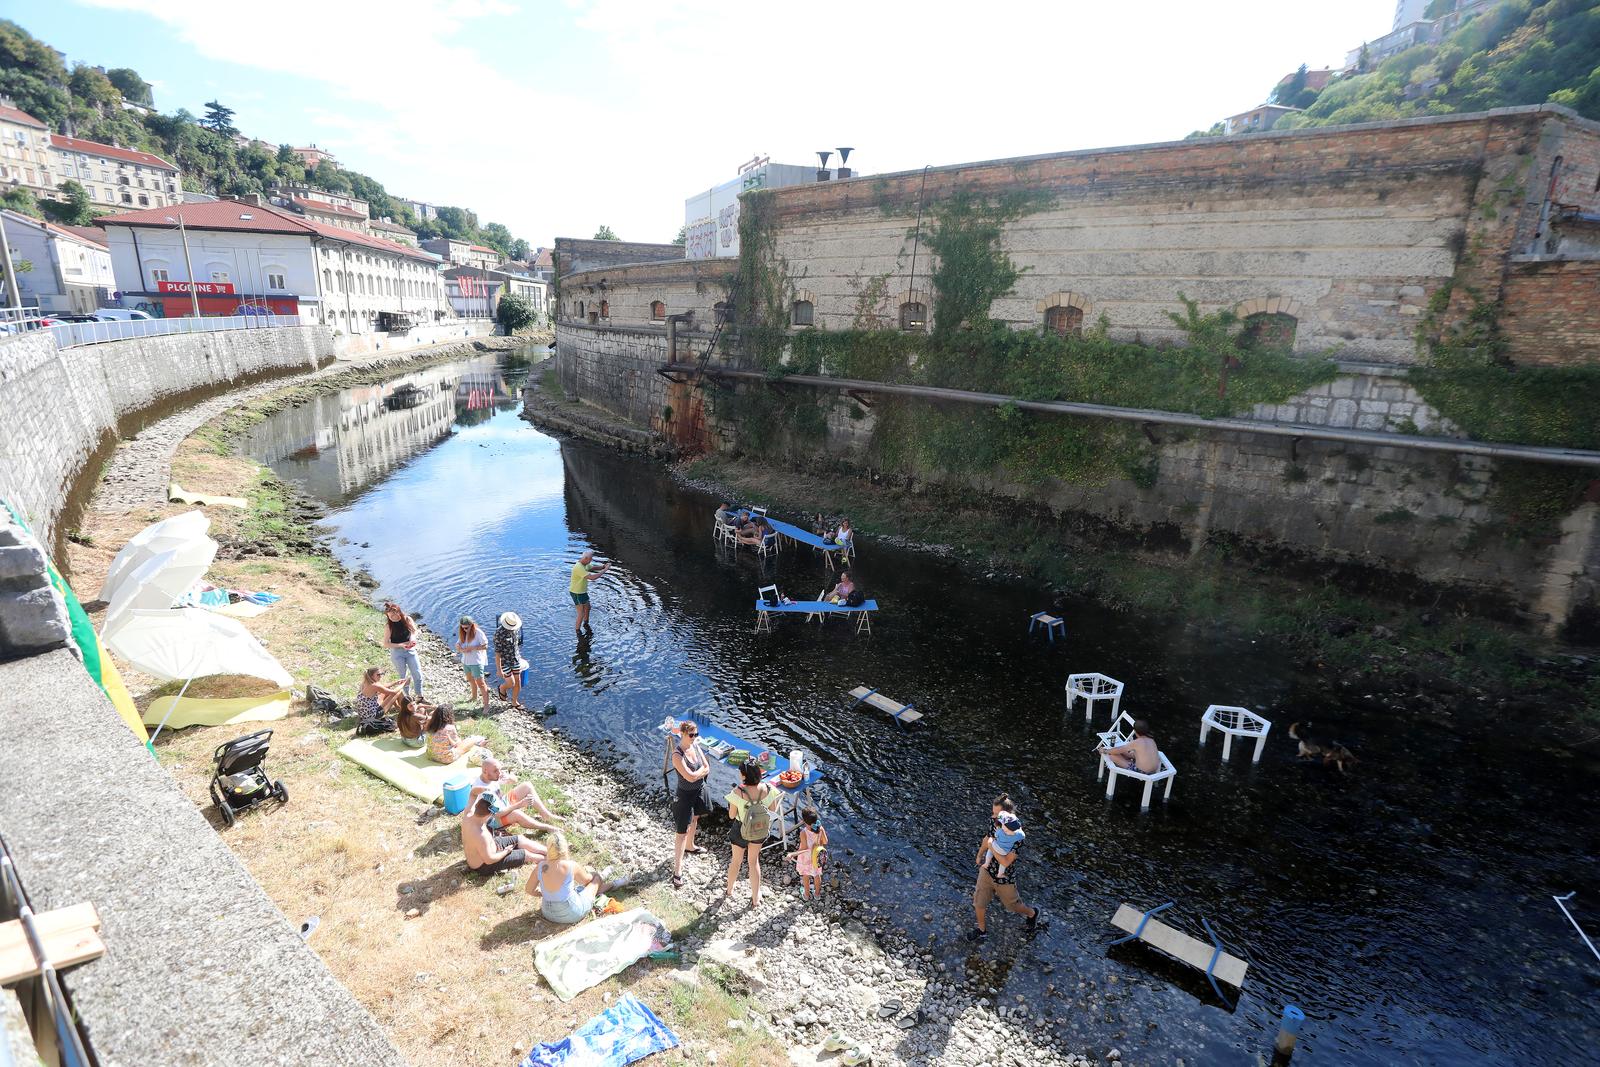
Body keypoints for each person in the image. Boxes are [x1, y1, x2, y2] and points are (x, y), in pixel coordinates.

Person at [966, 794, 1046, 943]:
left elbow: (1006, 861)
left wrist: (991, 846)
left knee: (1012, 906)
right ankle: (982, 931)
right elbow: (987, 838)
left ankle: (1032, 913)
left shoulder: (1017, 836)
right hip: (987, 870)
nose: (993, 817)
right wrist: (980, 855)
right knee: (979, 901)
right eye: (993, 813)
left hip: (1005, 877)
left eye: (996, 814)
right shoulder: (994, 821)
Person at [525, 831, 629, 925]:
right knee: (594, 882)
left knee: (583, 889)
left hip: (547, 913)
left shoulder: (540, 866)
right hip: (571, 913)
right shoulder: (571, 865)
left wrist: (544, 893)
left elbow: (528, 890)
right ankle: (612, 882)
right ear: (565, 849)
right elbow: (587, 880)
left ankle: (614, 881)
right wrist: (593, 874)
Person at [725, 762, 777, 908]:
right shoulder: (768, 789)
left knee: (736, 861)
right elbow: (773, 811)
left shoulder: (738, 792)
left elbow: (731, 815)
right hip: (759, 829)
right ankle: (755, 898)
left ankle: (729, 890)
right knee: (753, 862)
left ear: (743, 776)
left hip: (741, 829)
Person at [469, 755, 562, 832]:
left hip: (502, 803)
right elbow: (498, 814)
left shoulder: (492, 776)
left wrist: (510, 778)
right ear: (485, 771)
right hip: (492, 819)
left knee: (527, 786)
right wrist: (520, 804)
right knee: (516, 813)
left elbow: (514, 780)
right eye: (496, 771)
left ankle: (546, 815)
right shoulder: (483, 790)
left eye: (499, 770)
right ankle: (545, 828)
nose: (499, 773)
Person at [669, 720, 711, 890]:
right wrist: (698, 774)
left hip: (699, 790)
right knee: (681, 832)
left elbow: (707, 767)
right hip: (685, 795)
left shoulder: (696, 747)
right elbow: (688, 777)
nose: (694, 738)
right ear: (682, 734)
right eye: (691, 735)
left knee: (695, 818)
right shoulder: (677, 755)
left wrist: (697, 774)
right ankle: (677, 871)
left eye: (696, 734)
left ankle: (690, 846)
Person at [462, 794, 542, 874]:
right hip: (484, 865)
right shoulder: (481, 836)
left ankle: (549, 852)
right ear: (488, 815)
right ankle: (550, 859)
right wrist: (505, 852)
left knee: (520, 839)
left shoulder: (468, 815)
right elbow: (489, 860)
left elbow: (473, 794)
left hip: (492, 846)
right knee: (526, 854)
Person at [380, 602, 424, 699]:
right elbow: (386, 644)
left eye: (395, 614)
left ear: (399, 611)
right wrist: (401, 645)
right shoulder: (389, 626)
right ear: (387, 616)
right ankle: (406, 697)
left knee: (417, 673)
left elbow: (414, 631)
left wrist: (412, 639)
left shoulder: (407, 619)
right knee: (403, 676)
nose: (394, 617)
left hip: (410, 650)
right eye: (390, 616)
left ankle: (420, 696)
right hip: (397, 653)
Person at [454, 616, 491, 713]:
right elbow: (458, 644)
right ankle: (474, 697)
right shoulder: (463, 633)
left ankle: (486, 705)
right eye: (462, 627)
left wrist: (473, 648)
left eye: (466, 627)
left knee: (481, 684)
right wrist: (459, 648)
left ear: (472, 625)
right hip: (466, 661)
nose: (464, 629)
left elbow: (485, 646)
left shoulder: (478, 632)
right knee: (471, 680)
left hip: (476, 662)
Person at [569, 551, 611, 634]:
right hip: (577, 593)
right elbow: (592, 577)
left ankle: (586, 623)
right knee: (581, 612)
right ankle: (578, 631)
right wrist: (605, 570)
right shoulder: (578, 567)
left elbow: (592, 568)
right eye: (590, 559)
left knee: (588, 607)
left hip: (582, 592)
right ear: (585, 558)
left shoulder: (584, 564)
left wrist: (603, 566)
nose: (591, 561)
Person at [492, 611, 528, 710]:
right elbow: (498, 653)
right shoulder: (499, 634)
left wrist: (520, 658)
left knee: (518, 682)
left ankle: (514, 702)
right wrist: (499, 670)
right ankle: (502, 688)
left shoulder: (515, 629)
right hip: (504, 661)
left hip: (515, 659)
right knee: (511, 683)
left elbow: (516, 645)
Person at [355, 666, 405, 735]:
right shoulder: (374, 686)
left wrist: (395, 683)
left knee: (384, 693)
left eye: (381, 674)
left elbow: (383, 686)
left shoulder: (366, 683)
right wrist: (404, 684)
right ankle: (405, 712)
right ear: (371, 676)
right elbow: (393, 692)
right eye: (378, 675)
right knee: (398, 692)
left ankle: (398, 708)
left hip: (365, 714)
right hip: (373, 716)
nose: (380, 676)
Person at [793, 807, 828, 901]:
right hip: (817, 856)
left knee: (806, 876)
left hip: (806, 858)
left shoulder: (803, 832)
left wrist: (794, 854)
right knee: (817, 875)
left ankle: (807, 895)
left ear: (804, 820)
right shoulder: (820, 828)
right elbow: (825, 841)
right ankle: (817, 895)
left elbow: (804, 848)